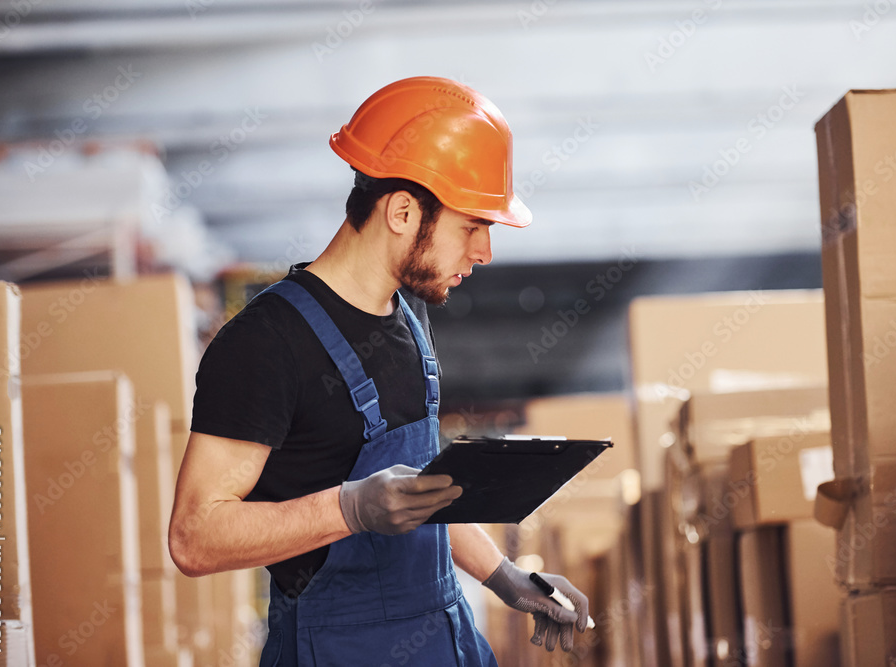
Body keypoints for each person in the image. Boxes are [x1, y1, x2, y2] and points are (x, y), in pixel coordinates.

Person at [168, 76, 590, 666]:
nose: (485, 253)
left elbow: (424, 493)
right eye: (472, 227)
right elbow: (193, 537)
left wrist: (506, 578)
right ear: (401, 211)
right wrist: (349, 508)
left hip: (445, 638)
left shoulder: (408, 317)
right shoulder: (264, 343)